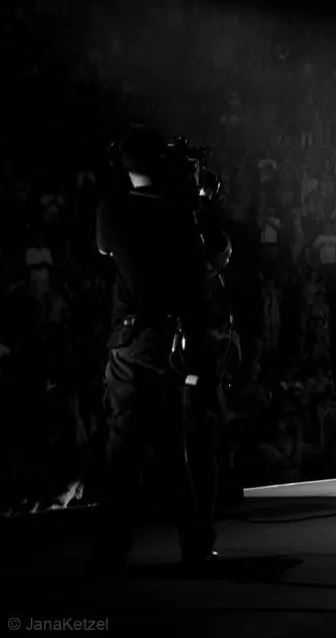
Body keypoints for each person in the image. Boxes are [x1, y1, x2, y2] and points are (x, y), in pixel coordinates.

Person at [91, 125, 227, 573]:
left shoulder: (113, 209)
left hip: (130, 342)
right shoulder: (178, 214)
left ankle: (112, 549)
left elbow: (106, 249)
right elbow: (203, 269)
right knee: (177, 450)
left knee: (121, 450)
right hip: (171, 342)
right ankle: (194, 545)